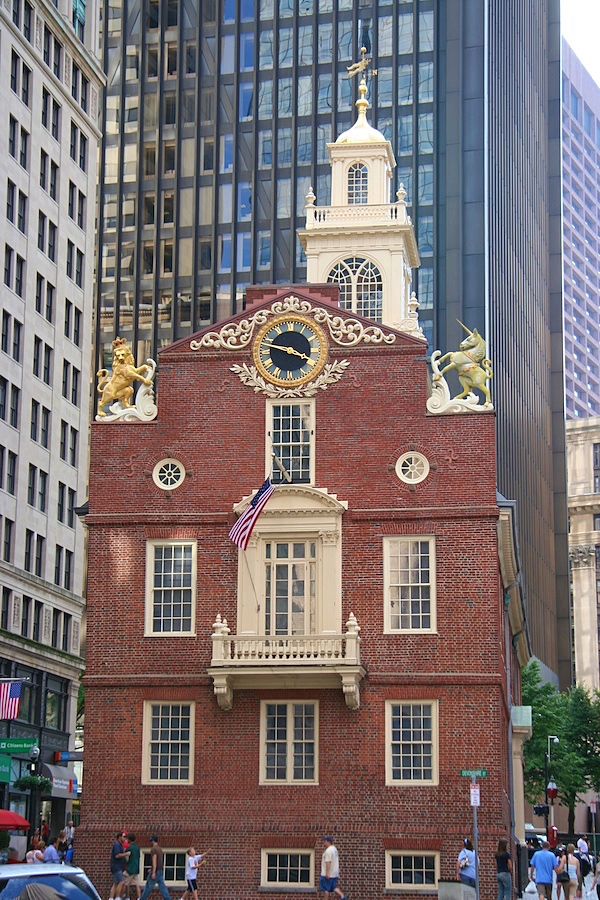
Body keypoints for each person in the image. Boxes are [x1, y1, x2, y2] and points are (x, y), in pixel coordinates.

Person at [139, 835, 171, 900]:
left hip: (155, 871)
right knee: (162, 887)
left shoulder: (153, 849)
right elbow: (160, 861)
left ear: (152, 841)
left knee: (148, 887)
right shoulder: (159, 849)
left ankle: (143, 898)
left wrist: (153, 872)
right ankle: (167, 898)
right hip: (160, 870)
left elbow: (154, 861)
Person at [110, 831, 130, 900]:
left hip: (117, 867)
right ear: (119, 837)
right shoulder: (117, 845)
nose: (125, 839)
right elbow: (117, 855)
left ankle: (111, 898)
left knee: (115, 883)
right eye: (124, 837)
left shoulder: (120, 845)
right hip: (117, 867)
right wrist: (126, 854)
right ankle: (118, 897)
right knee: (122, 881)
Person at [123, 833, 142, 900]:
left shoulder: (129, 848)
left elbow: (126, 859)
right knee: (137, 884)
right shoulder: (137, 848)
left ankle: (124, 896)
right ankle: (139, 897)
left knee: (124, 883)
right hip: (136, 869)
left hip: (130, 869)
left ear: (129, 840)